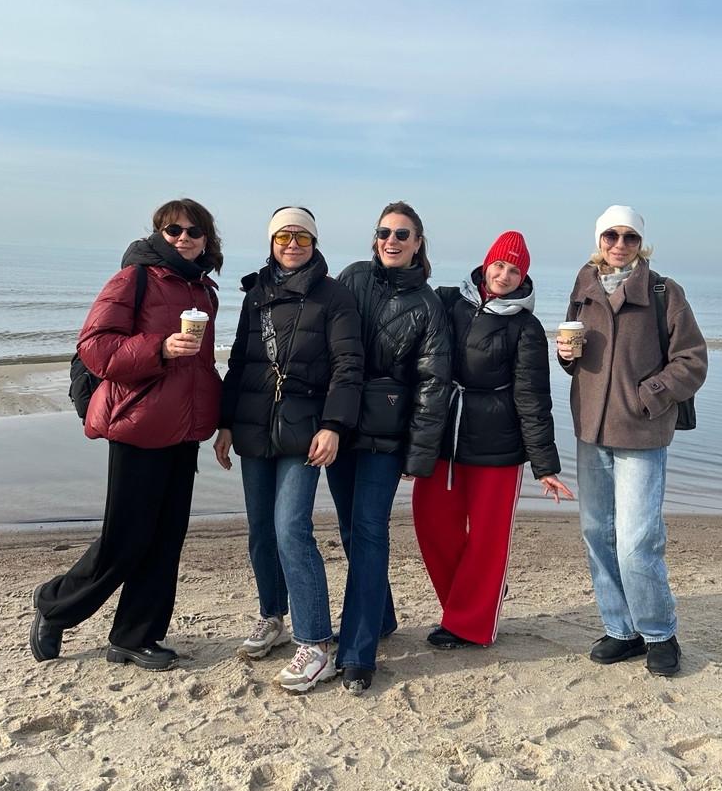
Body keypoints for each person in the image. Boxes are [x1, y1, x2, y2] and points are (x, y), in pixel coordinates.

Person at [30, 199, 224, 670]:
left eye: (193, 231)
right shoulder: (134, 278)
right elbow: (95, 347)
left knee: (166, 540)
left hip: (185, 431)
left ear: (206, 240)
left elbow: (201, 366)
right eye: (173, 230)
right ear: (159, 233)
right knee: (125, 539)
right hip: (139, 425)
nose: (183, 238)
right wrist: (160, 347)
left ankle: (135, 636)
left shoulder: (204, 291)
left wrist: (219, 417)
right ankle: (54, 605)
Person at [214, 207, 363, 694]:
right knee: (260, 529)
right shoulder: (255, 293)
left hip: (304, 427)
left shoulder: (334, 295)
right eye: (283, 236)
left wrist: (334, 425)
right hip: (253, 424)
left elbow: (348, 365)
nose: (292, 244)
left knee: (290, 529)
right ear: (272, 242)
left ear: (314, 242)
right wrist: (225, 423)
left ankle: (315, 643)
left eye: (302, 236)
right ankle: (272, 615)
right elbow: (240, 361)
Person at [557, 206, 707, 677]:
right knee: (597, 534)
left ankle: (659, 633)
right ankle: (621, 630)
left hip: (642, 431)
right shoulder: (583, 286)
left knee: (637, 540)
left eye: (629, 237)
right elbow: (574, 355)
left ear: (641, 243)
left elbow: (692, 361)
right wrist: (565, 356)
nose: (619, 244)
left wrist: (649, 395)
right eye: (610, 235)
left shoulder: (664, 291)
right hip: (590, 431)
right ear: (598, 240)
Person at [412, 231, 572, 649]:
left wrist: (545, 465)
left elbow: (532, 397)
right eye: (499, 265)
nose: (504, 275)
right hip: (443, 434)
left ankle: (469, 623)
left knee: (488, 537)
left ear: (524, 278)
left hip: (499, 444)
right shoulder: (449, 301)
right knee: (431, 520)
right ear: (486, 265)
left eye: (514, 270)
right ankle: (480, 595)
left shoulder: (526, 327)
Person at [327, 202, 451, 693]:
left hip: (386, 434)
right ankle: (382, 617)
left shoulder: (428, 305)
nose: (391, 240)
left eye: (402, 234)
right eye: (384, 232)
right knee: (349, 527)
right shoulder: (353, 277)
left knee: (370, 530)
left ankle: (358, 652)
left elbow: (433, 386)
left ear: (418, 243)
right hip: (339, 425)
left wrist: (418, 455)